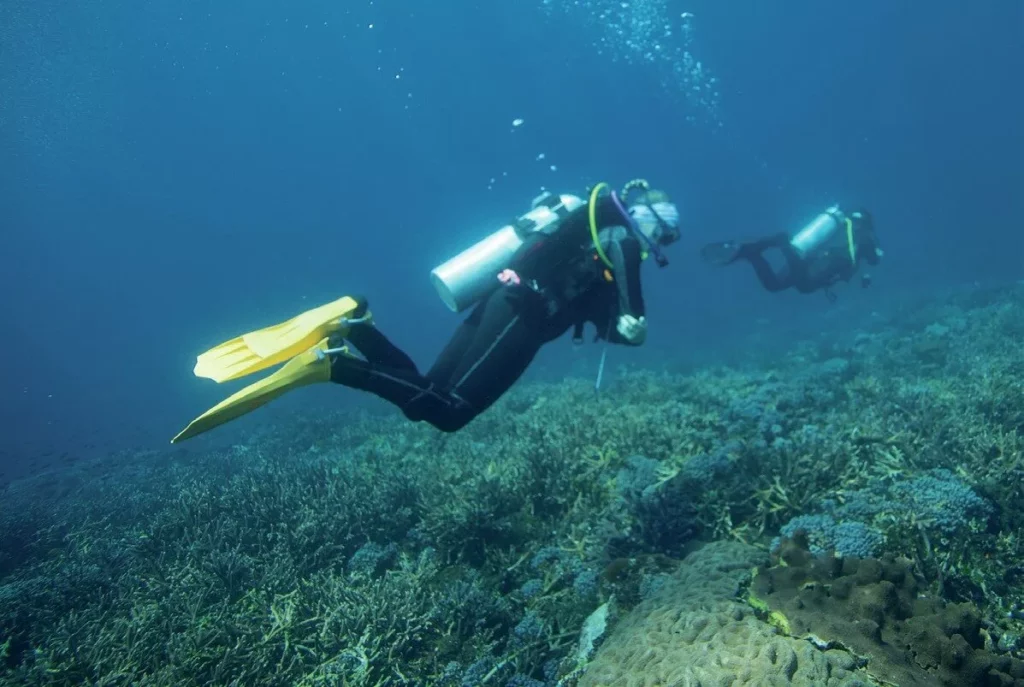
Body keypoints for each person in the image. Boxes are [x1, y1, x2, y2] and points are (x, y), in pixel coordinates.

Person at [172, 179, 681, 442]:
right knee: (450, 412)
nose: (663, 242)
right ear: (649, 219)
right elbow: (629, 313)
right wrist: (635, 322)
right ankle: (332, 365)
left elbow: (602, 317)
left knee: (427, 394)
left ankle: (355, 325)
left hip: (504, 302)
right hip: (524, 315)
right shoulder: (624, 243)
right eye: (666, 232)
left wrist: (619, 326)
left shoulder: (594, 234)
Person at [701, 205, 882, 298]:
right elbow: (873, 260)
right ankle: (783, 244)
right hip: (816, 269)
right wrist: (877, 252)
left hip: (806, 258)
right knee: (804, 286)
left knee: (774, 285)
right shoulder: (864, 236)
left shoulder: (841, 229)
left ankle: (752, 254)